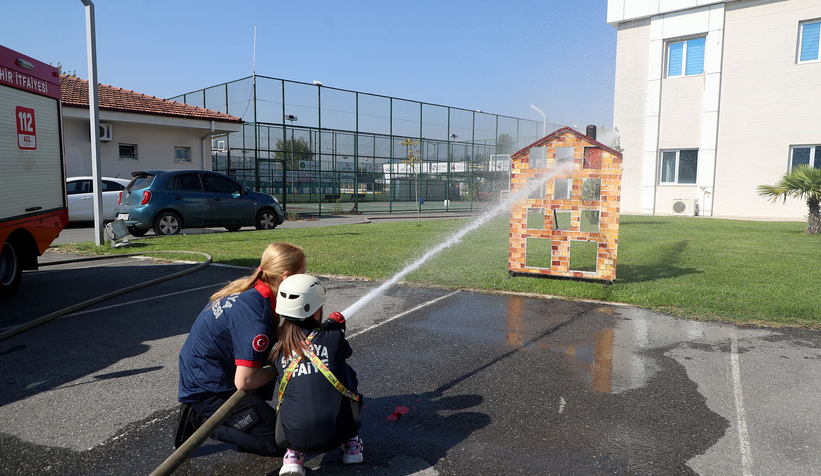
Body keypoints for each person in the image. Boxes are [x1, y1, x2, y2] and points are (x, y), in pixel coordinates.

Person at [174, 242, 307, 456]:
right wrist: (286, 364)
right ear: (286, 277)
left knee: (275, 352)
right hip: (208, 391)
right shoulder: (255, 317)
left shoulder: (254, 290)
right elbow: (244, 381)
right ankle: (204, 422)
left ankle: (247, 410)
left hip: (205, 374)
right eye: (303, 273)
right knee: (281, 443)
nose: (306, 277)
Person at [272, 274, 363, 476]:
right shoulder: (333, 336)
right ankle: (351, 445)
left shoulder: (277, 346)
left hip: (294, 436)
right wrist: (337, 326)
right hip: (337, 432)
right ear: (315, 313)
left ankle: (294, 456)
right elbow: (346, 352)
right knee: (347, 373)